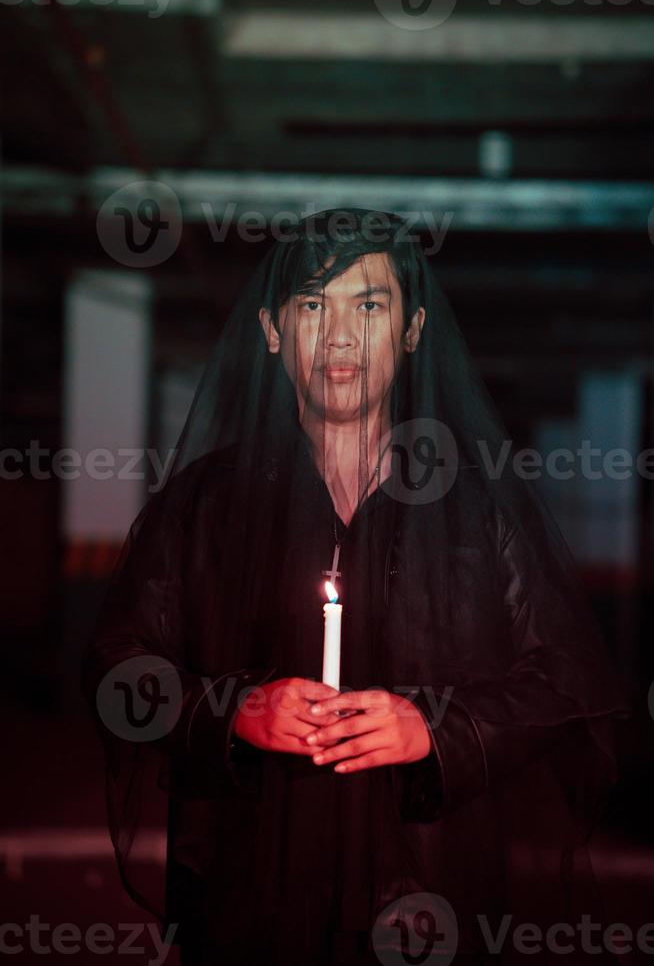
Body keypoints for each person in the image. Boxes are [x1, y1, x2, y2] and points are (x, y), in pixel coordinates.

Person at [82, 208, 632, 965]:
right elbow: (118, 663)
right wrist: (233, 710)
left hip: (430, 888)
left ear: (411, 330)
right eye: (313, 304)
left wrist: (436, 730)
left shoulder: (482, 506)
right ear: (275, 331)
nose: (340, 336)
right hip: (256, 890)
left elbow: (568, 679)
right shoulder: (202, 506)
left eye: (369, 305)